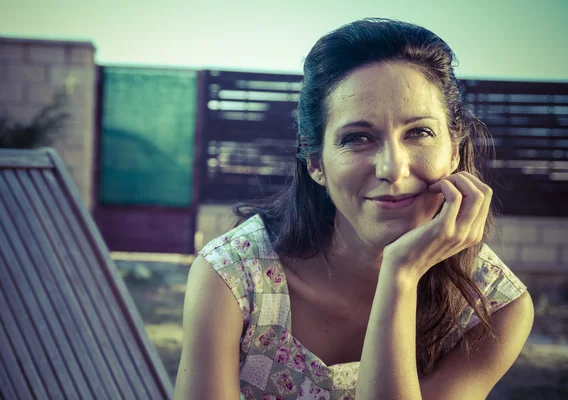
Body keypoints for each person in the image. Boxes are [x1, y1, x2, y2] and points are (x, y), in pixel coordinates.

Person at [174, 18, 534, 400]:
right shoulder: (234, 277)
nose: (393, 168)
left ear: (454, 151)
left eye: (419, 132)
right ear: (316, 163)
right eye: (357, 138)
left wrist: (400, 275)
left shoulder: (493, 307)